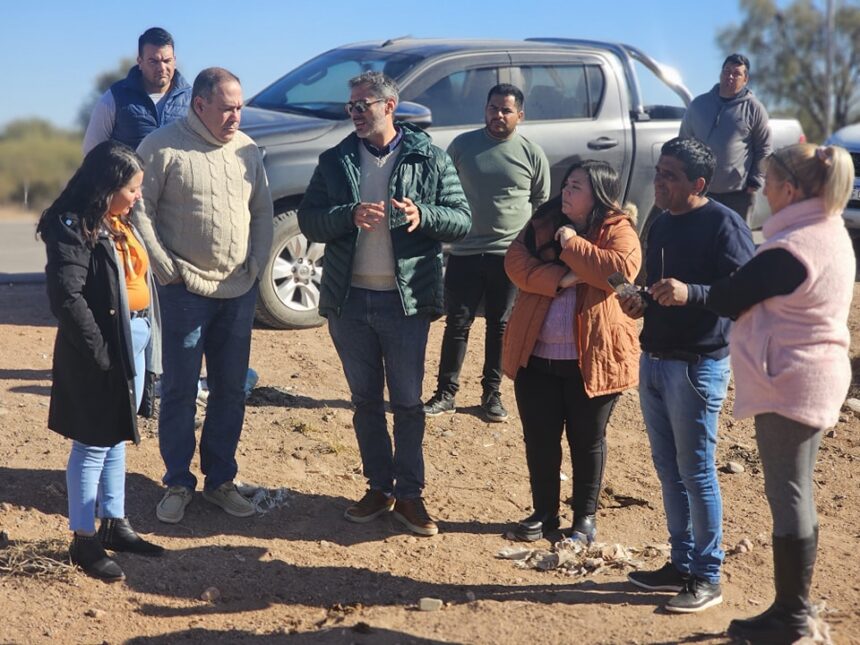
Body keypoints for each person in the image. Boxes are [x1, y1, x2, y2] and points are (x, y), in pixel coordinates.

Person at [683, 144, 852, 643]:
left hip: (791, 380)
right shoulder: (828, 230)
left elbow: (732, 295)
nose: (760, 188)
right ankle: (791, 607)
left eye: (767, 179)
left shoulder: (790, 248)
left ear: (790, 190)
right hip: (813, 374)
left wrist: (687, 291)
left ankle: (791, 616)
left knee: (790, 494)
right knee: (795, 491)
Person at [297, 71, 471, 537]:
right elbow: (309, 221)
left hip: (405, 303)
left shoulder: (428, 157)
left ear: (389, 106)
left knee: (409, 402)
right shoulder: (335, 160)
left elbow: (461, 219)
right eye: (350, 106)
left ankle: (411, 496)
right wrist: (346, 216)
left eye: (362, 104)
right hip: (349, 301)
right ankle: (379, 487)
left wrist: (423, 215)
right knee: (365, 401)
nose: (354, 112)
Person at [619, 137, 755, 613]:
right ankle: (680, 564)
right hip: (655, 359)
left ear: (698, 184)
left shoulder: (724, 223)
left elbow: (745, 292)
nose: (659, 181)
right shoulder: (660, 223)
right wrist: (638, 300)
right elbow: (659, 287)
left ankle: (708, 575)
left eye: (670, 175)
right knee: (669, 469)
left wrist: (692, 294)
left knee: (696, 473)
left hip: (697, 366)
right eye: (658, 172)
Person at [134, 68, 273, 524]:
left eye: (240, 106)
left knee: (230, 390)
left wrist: (256, 264)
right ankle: (177, 480)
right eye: (228, 107)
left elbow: (263, 211)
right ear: (200, 105)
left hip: (238, 291)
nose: (237, 115)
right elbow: (139, 208)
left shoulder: (247, 149)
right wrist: (164, 266)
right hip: (185, 291)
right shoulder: (161, 146)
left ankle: (220, 481)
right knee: (178, 389)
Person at [38, 141, 165, 582]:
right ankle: (83, 537)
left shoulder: (115, 221)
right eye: (132, 189)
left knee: (115, 433)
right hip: (100, 346)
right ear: (107, 186)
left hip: (130, 336)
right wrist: (100, 351)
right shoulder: (71, 226)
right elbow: (67, 298)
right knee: (92, 442)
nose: (138, 197)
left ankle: (115, 521)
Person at [502, 160, 641, 543]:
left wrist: (570, 244)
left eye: (576, 187)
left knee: (587, 440)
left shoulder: (618, 229)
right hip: (538, 357)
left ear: (598, 193)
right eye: (566, 185)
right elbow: (515, 264)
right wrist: (564, 278)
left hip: (592, 361)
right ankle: (544, 513)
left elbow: (619, 272)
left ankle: (584, 520)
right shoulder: (543, 221)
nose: (566, 192)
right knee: (540, 439)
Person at [423, 84, 550, 422]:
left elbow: (540, 203)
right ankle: (445, 393)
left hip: (509, 255)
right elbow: (442, 190)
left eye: (506, 110)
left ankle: (491, 396)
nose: (498, 115)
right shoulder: (463, 145)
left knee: (500, 326)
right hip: (464, 249)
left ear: (520, 115)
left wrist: (528, 248)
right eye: (493, 108)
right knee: (457, 323)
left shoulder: (531, 153)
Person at [678, 53, 771, 223]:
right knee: (699, 241)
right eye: (726, 71)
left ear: (746, 79)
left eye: (736, 73)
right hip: (701, 190)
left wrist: (755, 181)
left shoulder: (754, 109)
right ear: (721, 73)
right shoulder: (699, 105)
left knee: (734, 243)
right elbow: (684, 141)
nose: (730, 76)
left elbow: (763, 148)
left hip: (738, 194)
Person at [83, 27, 191, 154]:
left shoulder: (192, 100)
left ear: (175, 61)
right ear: (140, 62)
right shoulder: (115, 97)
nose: (162, 68)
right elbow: (92, 152)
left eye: (167, 61)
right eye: (153, 61)